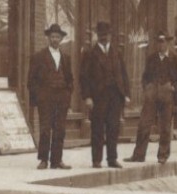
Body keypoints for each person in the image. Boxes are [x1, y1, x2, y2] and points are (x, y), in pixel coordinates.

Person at [128, 32, 177, 163]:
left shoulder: (175, 58)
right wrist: (147, 88)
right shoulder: (152, 58)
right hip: (152, 95)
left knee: (165, 127)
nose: (160, 45)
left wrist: (173, 88)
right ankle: (138, 155)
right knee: (144, 124)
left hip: (167, 95)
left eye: (163, 42)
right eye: (158, 42)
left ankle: (163, 156)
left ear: (168, 43)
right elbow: (145, 76)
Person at [81, 21, 130, 168]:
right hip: (98, 97)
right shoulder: (90, 53)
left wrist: (126, 94)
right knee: (97, 128)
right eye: (101, 34)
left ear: (110, 36)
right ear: (97, 35)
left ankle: (112, 159)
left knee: (113, 128)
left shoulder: (117, 53)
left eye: (107, 34)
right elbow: (84, 77)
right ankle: (96, 160)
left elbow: (123, 74)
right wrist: (87, 97)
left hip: (115, 96)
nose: (104, 37)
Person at [27, 22, 74, 170]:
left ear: (61, 39)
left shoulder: (66, 58)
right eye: (52, 37)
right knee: (45, 129)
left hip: (61, 99)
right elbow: (31, 80)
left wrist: (67, 96)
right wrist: (38, 98)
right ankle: (43, 160)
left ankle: (57, 160)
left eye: (57, 37)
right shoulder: (39, 57)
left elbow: (70, 79)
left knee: (60, 129)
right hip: (45, 99)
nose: (55, 39)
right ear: (48, 38)